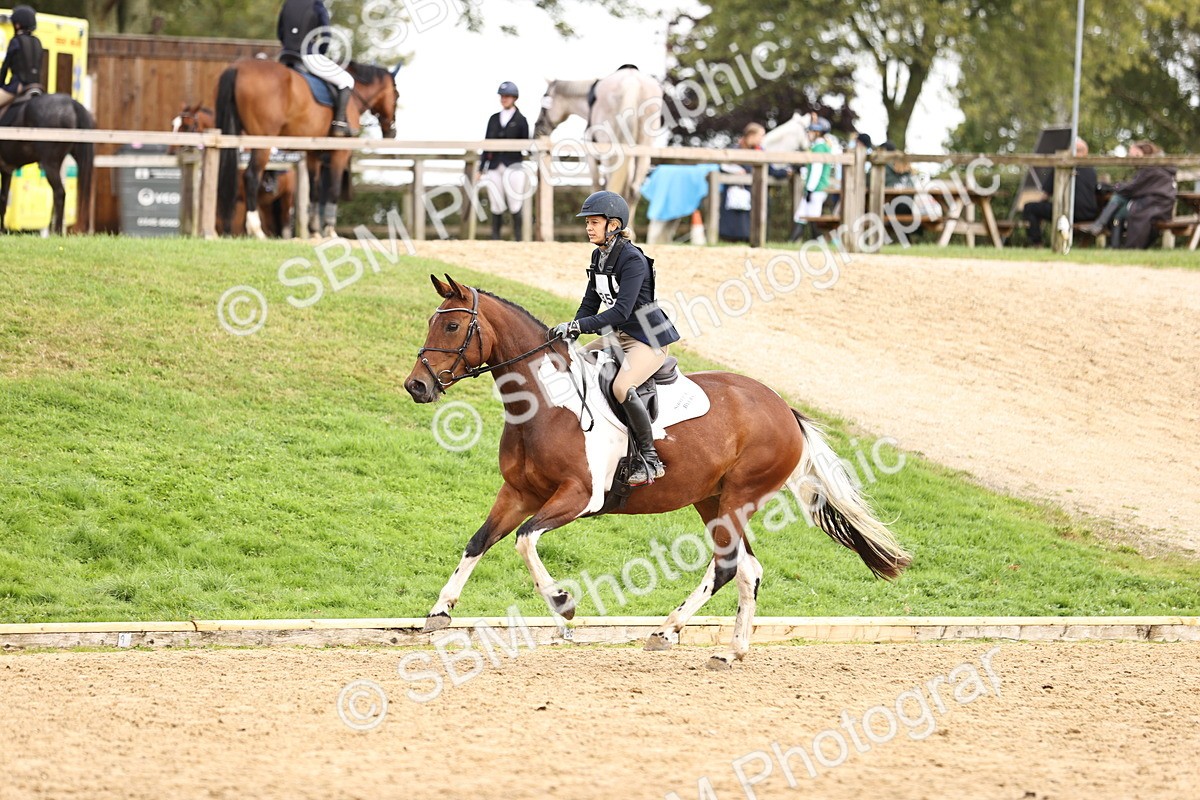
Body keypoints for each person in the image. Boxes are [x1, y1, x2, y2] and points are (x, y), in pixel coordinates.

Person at [550, 191, 681, 486]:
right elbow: (589, 304)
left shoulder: (632, 259)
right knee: (576, 364)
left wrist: (578, 326)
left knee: (623, 386)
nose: (588, 228)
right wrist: (571, 332)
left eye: (594, 222)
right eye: (588, 223)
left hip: (648, 337)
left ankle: (649, 457)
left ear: (614, 225)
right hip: (620, 335)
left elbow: (621, 311)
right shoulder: (599, 256)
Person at [277, 0, 355, 136]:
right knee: (347, 80)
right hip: (308, 55)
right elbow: (326, 34)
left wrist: (288, 46)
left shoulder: (287, 3)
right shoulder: (317, 4)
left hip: (286, 55)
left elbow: (280, 31)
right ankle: (339, 123)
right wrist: (320, 52)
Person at [718, 122, 788, 242]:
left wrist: (786, 172)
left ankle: (752, 239)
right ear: (751, 135)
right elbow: (724, 166)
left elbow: (771, 170)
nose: (762, 139)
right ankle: (730, 238)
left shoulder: (760, 151)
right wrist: (737, 171)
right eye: (760, 135)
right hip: (737, 192)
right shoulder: (734, 150)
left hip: (754, 193)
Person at [1021, 138, 1098, 247]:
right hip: (1090, 214)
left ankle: (1037, 243)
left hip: (1069, 212)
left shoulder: (1062, 167)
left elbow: (1045, 195)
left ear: (1071, 151)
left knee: (1030, 208)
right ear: (1086, 152)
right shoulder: (1092, 170)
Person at [479, 81, 530, 240]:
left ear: (514, 98)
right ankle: (496, 237)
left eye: (507, 96)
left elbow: (526, 144)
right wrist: (481, 168)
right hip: (494, 165)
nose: (504, 99)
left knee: (515, 202)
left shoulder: (521, 120)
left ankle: (518, 238)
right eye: (502, 96)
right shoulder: (493, 119)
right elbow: (486, 144)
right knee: (496, 202)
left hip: (513, 165)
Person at [1105, 140, 1177, 249]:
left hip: (1156, 206)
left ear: (1143, 153)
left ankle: (1103, 229)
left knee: (1119, 202)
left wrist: (1116, 187)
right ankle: (1112, 240)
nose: (1132, 158)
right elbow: (1136, 187)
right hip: (1153, 204)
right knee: (1119, 208)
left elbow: (1134, 188)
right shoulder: (1153, 167)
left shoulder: (1152, 168)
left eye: (1135, 155)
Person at [789, 116, 833, 242]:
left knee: (813, 217)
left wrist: (810, 189)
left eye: (811, 131)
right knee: (801, 216)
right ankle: (792, 242)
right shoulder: (819, 147)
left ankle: (818, 243)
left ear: (818, 132)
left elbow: (816, 171)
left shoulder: (819, 148)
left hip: (816, 188)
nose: (809, 133)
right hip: (814, 188)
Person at [0, 5, 43, 114]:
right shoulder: (37, 42)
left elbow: (5, 67)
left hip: (18, 86)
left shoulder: (16, 41)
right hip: (37, 86)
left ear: (17, 25)